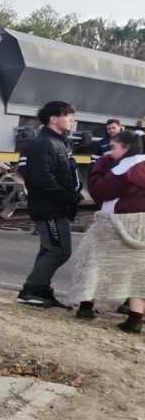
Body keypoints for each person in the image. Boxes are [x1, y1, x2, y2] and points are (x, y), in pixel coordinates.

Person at [70, 131, 145, 333]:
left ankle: (86, 307)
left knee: (94, 262)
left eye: (114, 147)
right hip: (142, 226)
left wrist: (100, 166)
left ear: (126, 147)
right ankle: (135, 319)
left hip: (114, 224)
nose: (110, 152)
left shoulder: (124, 169)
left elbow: (99, 192)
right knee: (138, 272)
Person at [17, 101, 81, 308]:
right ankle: (31, 291)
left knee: (49, 249)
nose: (71, 119)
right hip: (50, 208)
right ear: (53, 119)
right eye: (67, 115)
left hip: (55, 207)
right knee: (59, 250)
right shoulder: (44, 143)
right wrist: (67, 197)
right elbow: (41, 179)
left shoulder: (58, 142)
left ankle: (42, 290)